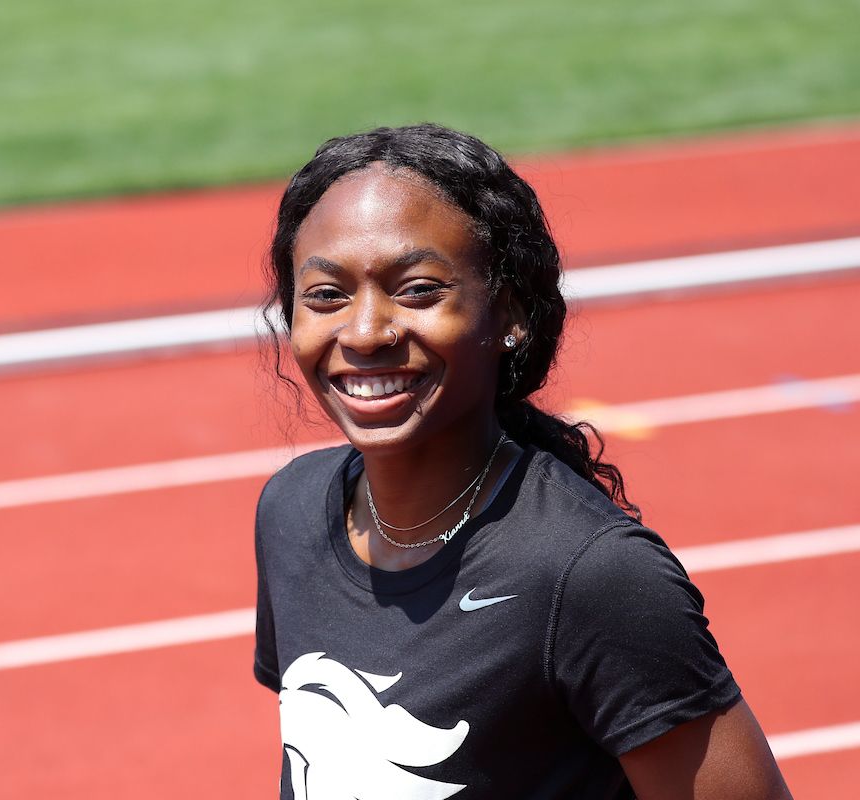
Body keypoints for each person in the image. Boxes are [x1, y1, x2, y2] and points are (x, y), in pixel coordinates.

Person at [252, 124, 792, 799]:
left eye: (418, 289)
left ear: (509, 312)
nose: (364, 332)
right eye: (326, 295)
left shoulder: (591, 576)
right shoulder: (291, 512)